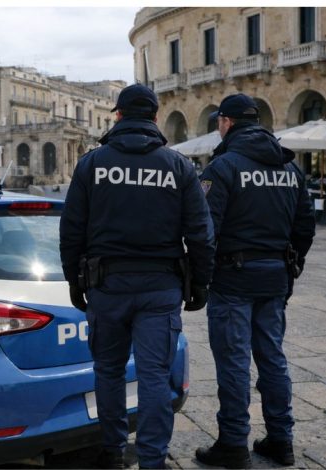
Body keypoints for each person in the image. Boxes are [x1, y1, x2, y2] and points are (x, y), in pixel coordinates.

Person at [60, 84, 215, 469]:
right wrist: (200, 284)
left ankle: (112, 451)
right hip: (161, 287)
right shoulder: (177, 165)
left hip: (106, 285)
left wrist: (74, 281)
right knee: (154, 377)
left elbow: (71, 230)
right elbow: (200, 231)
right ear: (155, 117)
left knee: (109, 372)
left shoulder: (92, 164)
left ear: (117, 116)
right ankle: (152, 460)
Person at [194, 94, 315, 468]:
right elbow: (305, 227)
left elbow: (204, 231)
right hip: (274, 276)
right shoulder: (289, 168)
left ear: (226, 123)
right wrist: (289, 264)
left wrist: (200, 278)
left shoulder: (224, 167)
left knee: (233, 363)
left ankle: (232, 442)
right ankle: (281, 439)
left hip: (233, 279)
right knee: (273, 359)